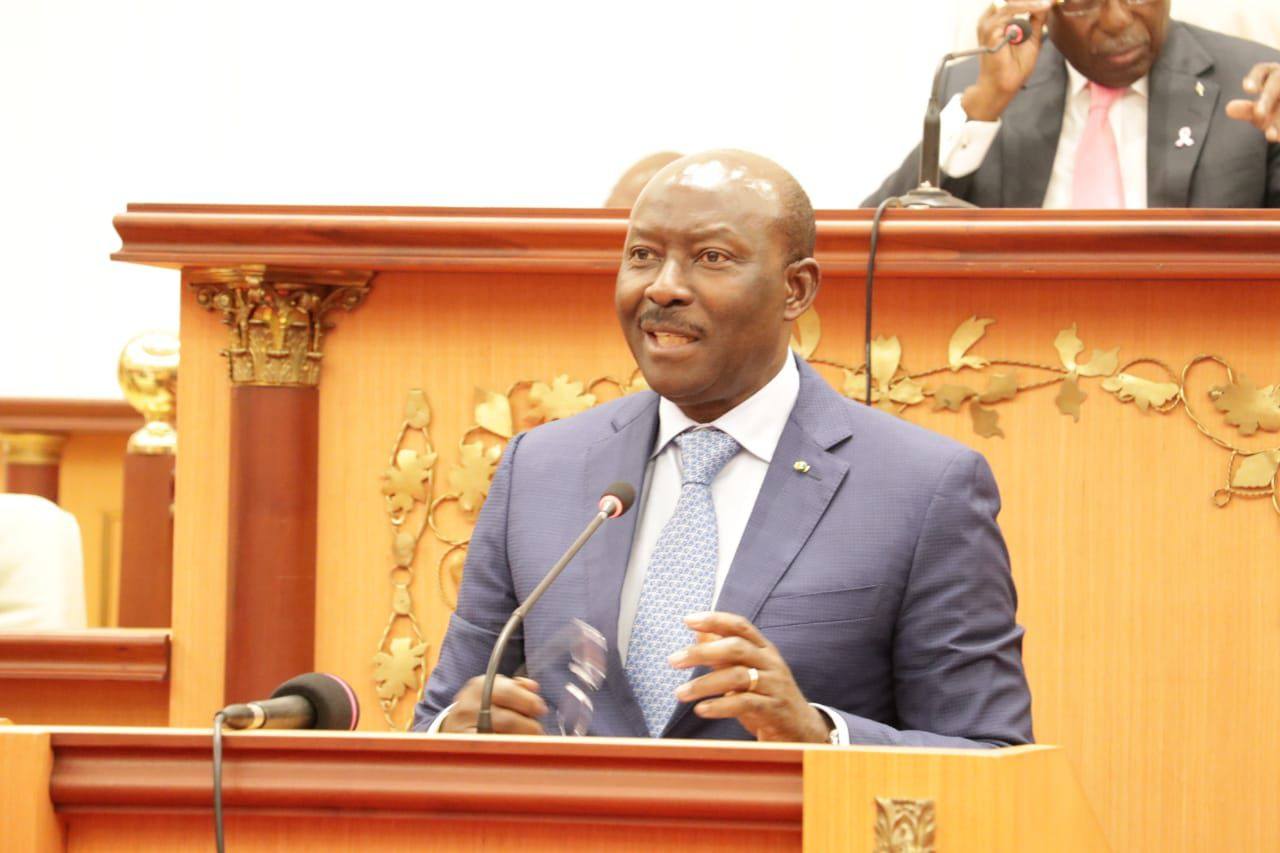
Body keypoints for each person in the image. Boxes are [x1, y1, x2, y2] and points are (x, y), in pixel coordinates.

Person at [414, 150, 1032, 746]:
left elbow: (990, 755)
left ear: (796, 290)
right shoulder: (539, 469)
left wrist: (821, 735)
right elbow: (441, 720)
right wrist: (454, 733)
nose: (663, 288)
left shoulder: (923, 489)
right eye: (642, 256)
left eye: (711, 257)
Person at [864, 0, 1280, 208]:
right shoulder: (982, 87)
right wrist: (982, 109)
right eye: (1085, 1)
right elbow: (876, 243)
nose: (1117, 20)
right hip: (1022, 339)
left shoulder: (1254, 85)